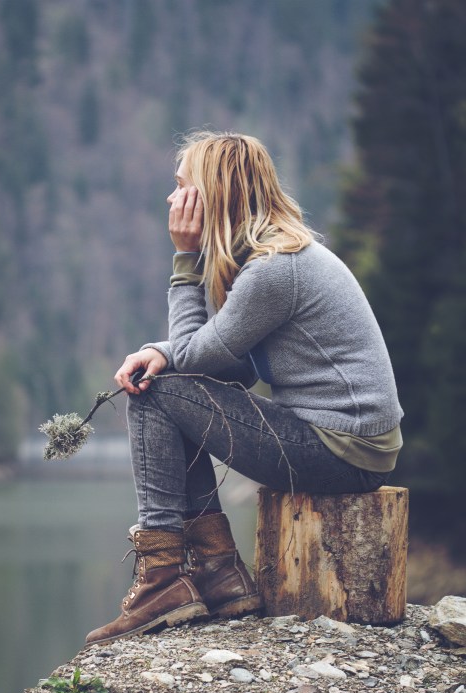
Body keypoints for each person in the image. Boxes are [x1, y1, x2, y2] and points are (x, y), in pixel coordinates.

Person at [85, 131, 403, 648]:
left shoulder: (275, 270)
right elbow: (230, 368)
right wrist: (166, 349)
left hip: (344, 451)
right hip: (347, 444)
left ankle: (164, 577)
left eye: (182, 186)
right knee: (167, 382)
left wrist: (185, 260)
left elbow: (195, 359)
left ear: (214, 194)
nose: (171, 198)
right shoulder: (272, 257)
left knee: (156, 389)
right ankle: (218, 572)